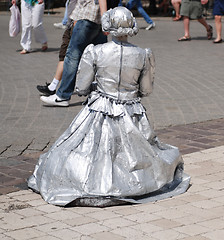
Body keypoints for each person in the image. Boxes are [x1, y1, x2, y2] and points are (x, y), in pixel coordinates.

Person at [28, 7, 190, 207]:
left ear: (108, 27)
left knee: (77, 151)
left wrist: (101, 87)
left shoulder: (95, 51)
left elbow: (81, 88)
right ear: (131, 26)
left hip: (100, 109)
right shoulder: (143, 54)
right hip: (132, 112)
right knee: (143, 153)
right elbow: (146, 90)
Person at [39, 0, 109, 106]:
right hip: (94, 18)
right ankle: (101, 94)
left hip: (88, 16)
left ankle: (63, 95)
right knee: (99, 58)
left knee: (73, 56)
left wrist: (104, 17)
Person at [37, 22, 74, 95]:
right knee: (65, 55)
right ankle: (54, 86)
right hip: (75, 24)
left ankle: (63, 94)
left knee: (70, 56)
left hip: (82, 25)